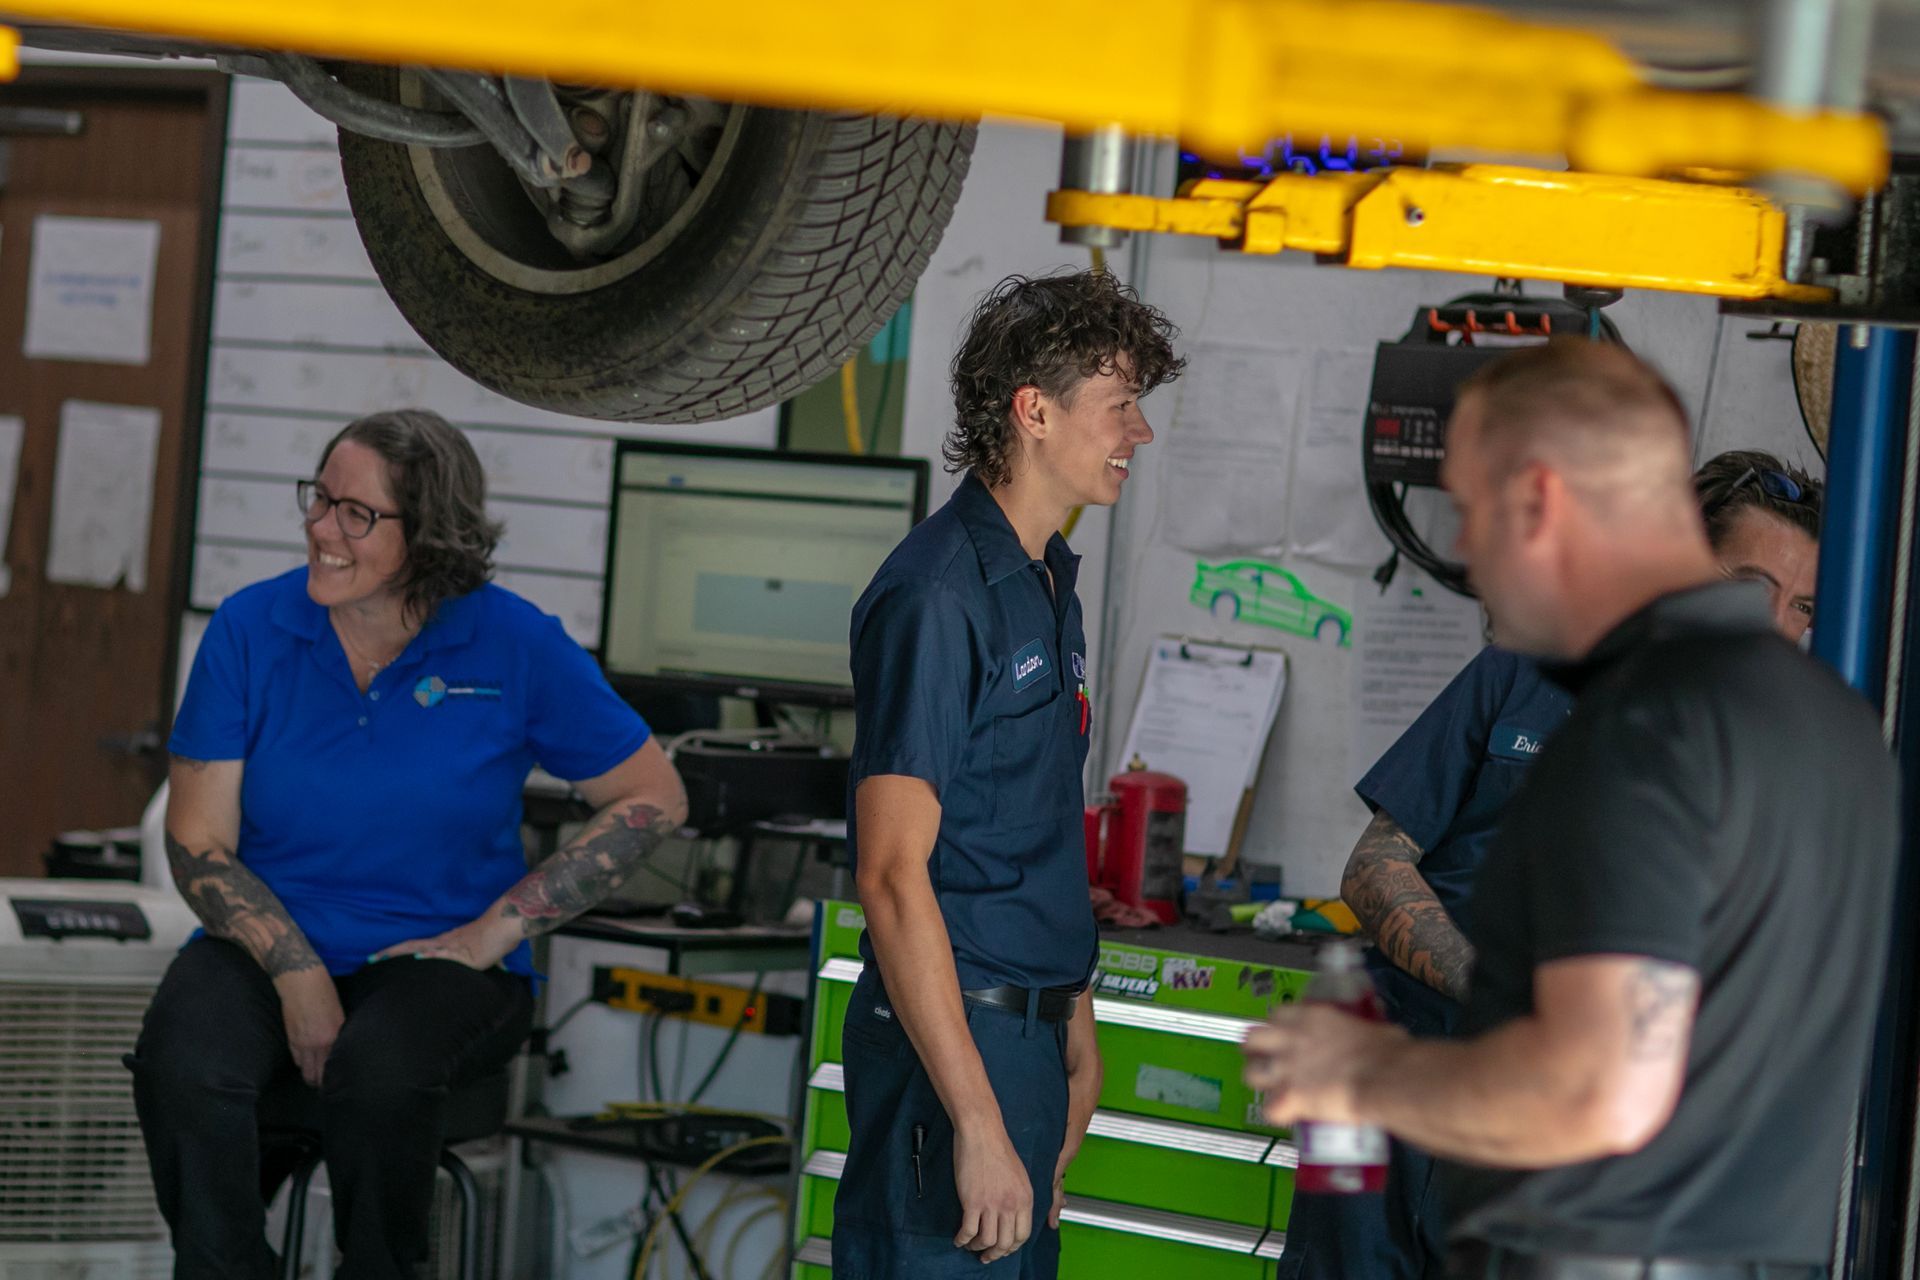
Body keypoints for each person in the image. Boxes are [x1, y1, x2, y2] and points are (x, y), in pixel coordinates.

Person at [1243, 340, 1898, 1277]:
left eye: (1801, 607)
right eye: (1752, 588)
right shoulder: (1533, 671)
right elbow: (1377, 862)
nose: (1774, 623)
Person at [132, 409, 688, 1280]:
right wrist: (298, 973)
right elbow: (198, 841)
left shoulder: (514, 642)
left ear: (430, 534)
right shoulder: (250, 628)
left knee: (380, 1075)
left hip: (438, 960)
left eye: (357, 514)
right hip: (268, 942)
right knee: (182, 1062)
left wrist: (494, 933)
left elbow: (653, 797)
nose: (322, 529)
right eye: (320, 499)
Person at [833, 270, 1183, 1278]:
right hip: (950, 1054)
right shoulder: (937, 597)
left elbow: (1035, 827)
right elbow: (891, 872)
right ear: (1034, 411)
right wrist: (979, 1122)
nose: (1138, 433)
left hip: (1025, 1043)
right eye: (1119, 404)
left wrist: (1076, 1022)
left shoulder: (1045, 584)